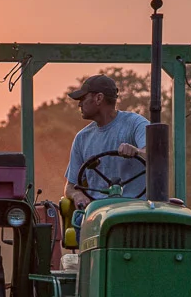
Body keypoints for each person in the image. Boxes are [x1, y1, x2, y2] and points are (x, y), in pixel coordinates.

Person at [63, 74, 147, 208]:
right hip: (98, 211)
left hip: (136, 209)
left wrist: (137, 151)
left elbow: (155, 155)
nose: (79, 104)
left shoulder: (135, 124)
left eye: (83, 98)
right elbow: (70, 186)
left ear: (98, 98)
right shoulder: (82, 138)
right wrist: (77, 195)